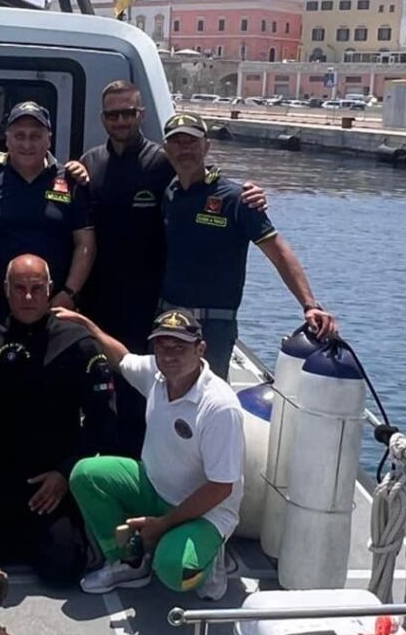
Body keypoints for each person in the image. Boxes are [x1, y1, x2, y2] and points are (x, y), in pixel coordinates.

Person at [79, 81, 268, 453]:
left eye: (128, 113)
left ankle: (140, 468)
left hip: (150, 303)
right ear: (103, 118)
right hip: (98, 300)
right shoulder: (90, 162)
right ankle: (96, 464)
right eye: (113, 114)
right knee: (97, 386)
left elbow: (204, 183)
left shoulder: (163, 161)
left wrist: (251, 195)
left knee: (142, 395)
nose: (121, 120)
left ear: (141, 115)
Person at [0, 254, 117, 586]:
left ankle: (39, 535)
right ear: (6, 290)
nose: (28, 297)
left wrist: (65, 471)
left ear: (49, 290)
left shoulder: (78, 345)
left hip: (51, 483)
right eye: (19, 288)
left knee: (63, 571)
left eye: (36, 288)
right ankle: (17, 536)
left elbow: (102, 420)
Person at [59, 307, 244, 601]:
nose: (169, 355)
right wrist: (88, 325)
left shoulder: (219, 407)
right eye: (162, 345)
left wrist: (163, 525)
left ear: (201, 349)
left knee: (173, 570)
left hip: (206, 511)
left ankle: (210, 563)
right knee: (85, 474)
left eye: (180, 347)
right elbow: (121, 359)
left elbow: (221, 487)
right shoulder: (157, 375)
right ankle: (129, 563)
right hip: (155, 485)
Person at [159, 111, 337, 378]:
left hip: (213, 326)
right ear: (166, 149)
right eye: (177, 142)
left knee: (209, 401)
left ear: (206, 146)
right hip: (169, 320)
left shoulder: (236, 199)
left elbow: (278, 252)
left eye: (191, 141)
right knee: (168, 399)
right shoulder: (168, 193)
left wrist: (310, 304)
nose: (184, 149)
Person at [0, 101, 95, 326]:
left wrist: (70, 293)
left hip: (52, 309)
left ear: (49, 139)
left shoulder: (71, 181)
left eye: (35, 136)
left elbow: (86, 242)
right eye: (19, 135)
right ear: (7, 139)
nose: (27, 143)